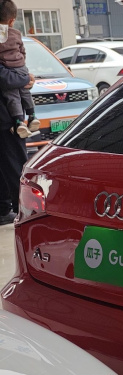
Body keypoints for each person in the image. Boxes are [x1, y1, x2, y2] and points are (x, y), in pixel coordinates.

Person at [0, 52, 32, 225]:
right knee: (16, 166)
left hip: (6, 118)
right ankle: (23, 210)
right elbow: (5, 78)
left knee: (7, 168)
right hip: (6, 120)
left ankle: (4, 209)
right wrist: (25, 77)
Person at [0, 0, 38, 138]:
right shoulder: (16, 33)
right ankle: (32, 116)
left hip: (11, 69)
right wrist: (26, 76)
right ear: (12, 20)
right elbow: (6, 79)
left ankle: (20, 122)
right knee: (24, 93)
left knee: (13, 97)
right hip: (21, 68)